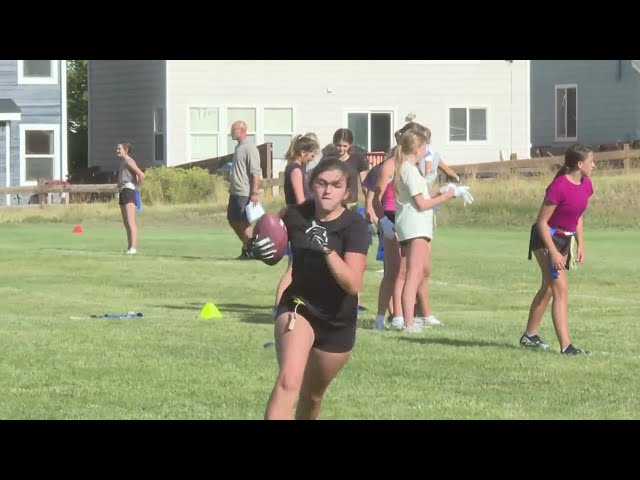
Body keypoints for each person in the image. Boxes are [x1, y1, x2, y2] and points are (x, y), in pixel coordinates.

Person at [249, 158, 370, 420]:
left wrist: (326, 249)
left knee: (313, 396)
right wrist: (255, 246)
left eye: (336, 185)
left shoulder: (356, 226)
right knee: (289, 381)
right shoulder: (296, 215)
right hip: (298, 307)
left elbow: (352, 283)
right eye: (321, 183)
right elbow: (266, 235)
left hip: (338, 320)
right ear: (312, 186)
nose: (328, 190)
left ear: (346, 192)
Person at [522, 144, 595, 355]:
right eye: (591, 161)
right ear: (579, 164)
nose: (594, 165)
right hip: (547, 239)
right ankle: (567, 347)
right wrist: (553, 252)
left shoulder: (587, 185)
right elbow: (542, 222)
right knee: (560, 289)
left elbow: (578, 215)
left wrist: (580, 243)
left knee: (548, 288)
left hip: (565, 240)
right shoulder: (559, 186)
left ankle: (529, 336)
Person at [392, 130, 458, 332]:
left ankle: (407, 319)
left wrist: (440, 191)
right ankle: (409, 323)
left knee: (407, 274)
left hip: (409, 226)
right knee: (414, 275)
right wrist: (447, 198)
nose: (426, 151)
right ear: (417, 149)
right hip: (416, 228)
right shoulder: (409, 170)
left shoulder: (407, 169)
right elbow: (422, 204)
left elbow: (421, 195)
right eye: (424, 148)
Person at [273, 134, 320, 310]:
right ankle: (278, 304)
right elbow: (300, 199)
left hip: (299, 218)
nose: (313, 158)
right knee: (293, 266)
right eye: (311, 155)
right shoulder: (295, 170)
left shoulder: (296, 168)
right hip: (298, 218)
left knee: (302, 264)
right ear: (303, 152)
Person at [227, 120, 262, 259]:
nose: (231, 132)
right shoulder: (238, 148)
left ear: (242, 130)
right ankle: (248, 247)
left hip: (245, 192)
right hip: (235, 192)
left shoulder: (250, 148)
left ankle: (253, 250)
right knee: (233, 220)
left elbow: (255, 172)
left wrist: (254, 192)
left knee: (245, 223)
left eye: (233, 129)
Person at [116, 142, 145, 254]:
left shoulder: (129, 161)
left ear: (126, 150)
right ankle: (129, 247)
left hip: (129, 190)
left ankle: (133, 248)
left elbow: (141, 175)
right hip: (122, 191)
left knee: (130, 221)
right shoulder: (122, 162)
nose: (117, 151)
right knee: (125, 222)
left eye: (119, 149)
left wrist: (137, 187)